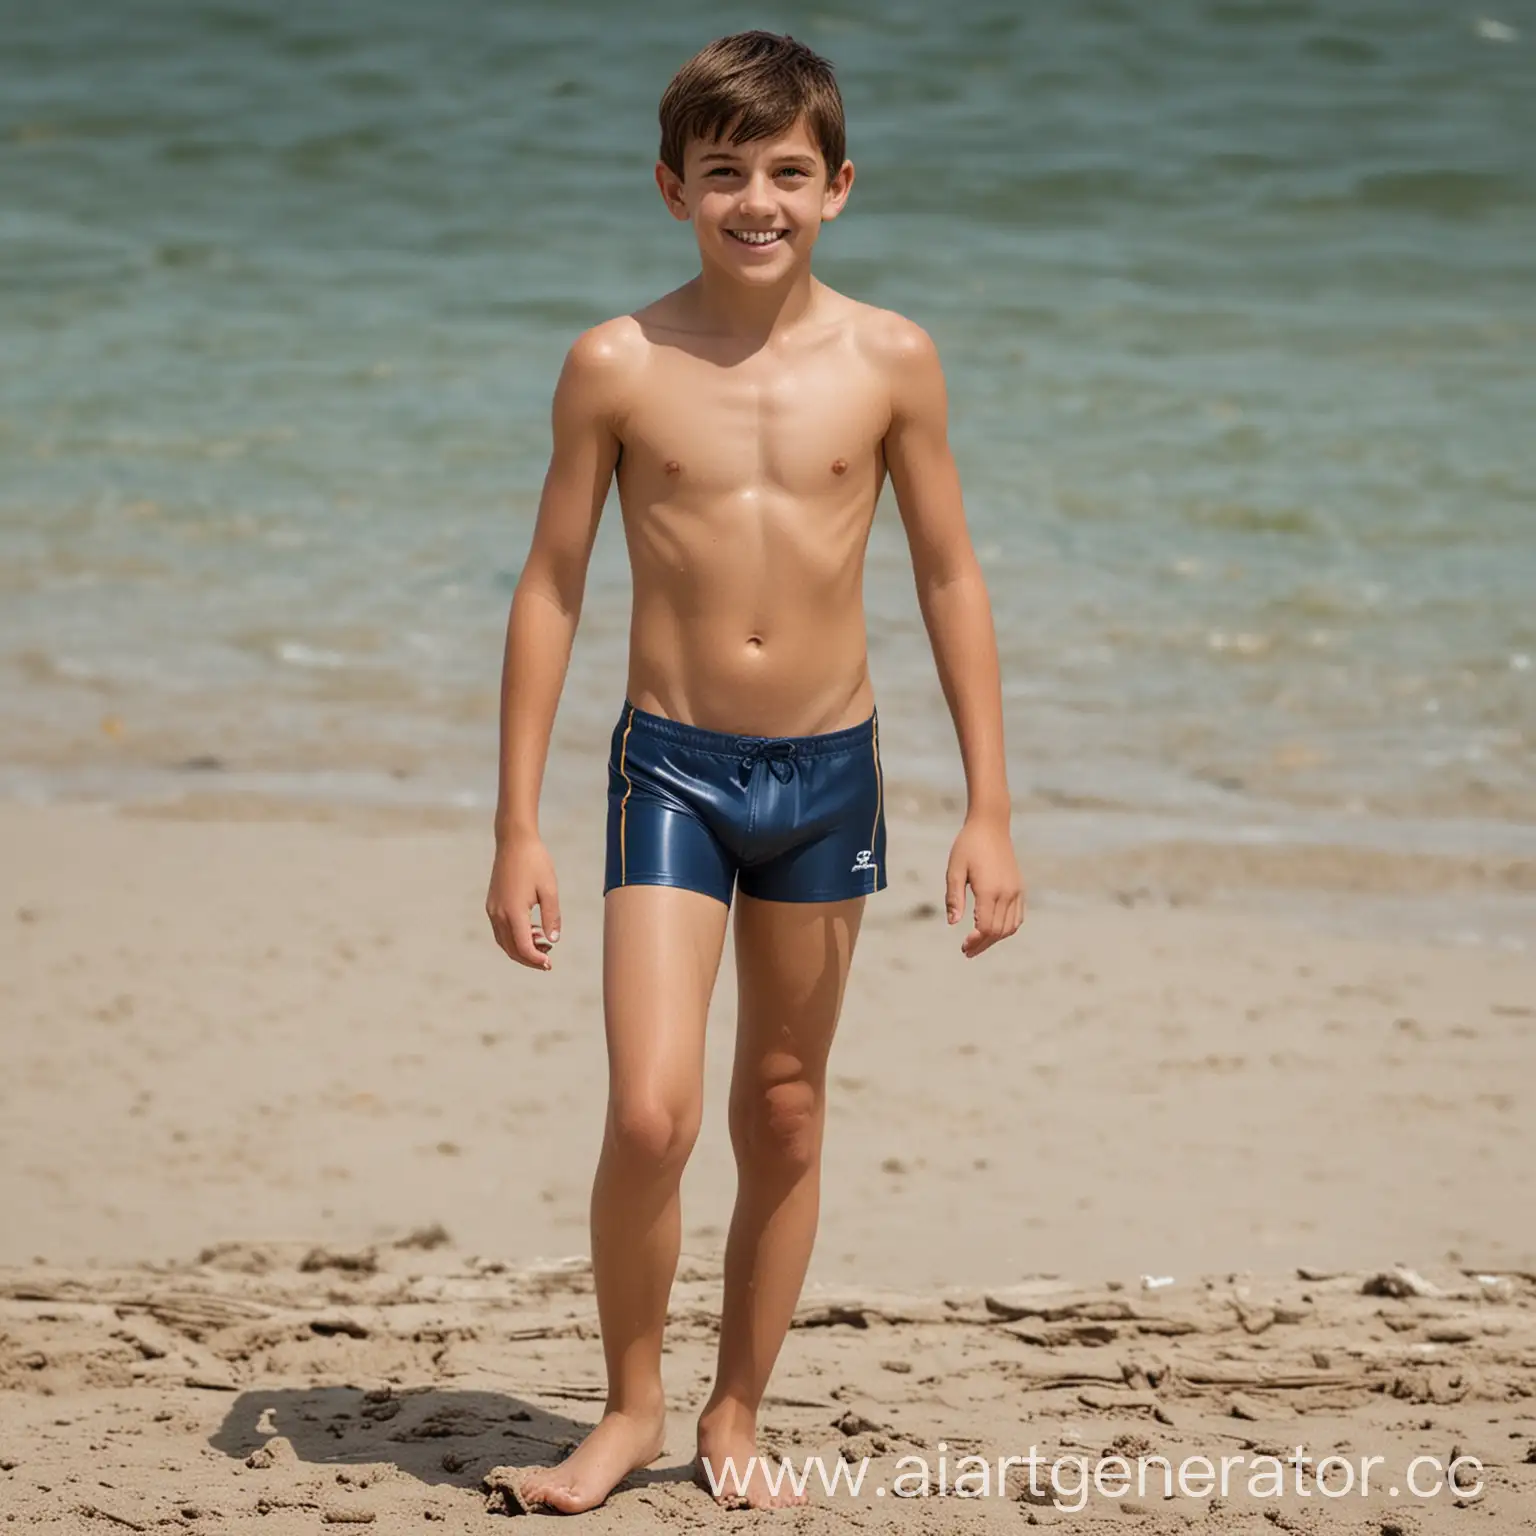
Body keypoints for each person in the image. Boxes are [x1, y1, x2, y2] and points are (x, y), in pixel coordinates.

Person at [484, 29, 1023, 1512]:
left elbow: (952, 577)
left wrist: (989, 805)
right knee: (652, 1111)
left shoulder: (894, 359)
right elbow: (548, 587)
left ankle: (735, 1407)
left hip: (828, 774)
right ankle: (630, 1406)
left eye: (788, 171)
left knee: (782, 1105)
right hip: (669, 770)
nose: (758, 199)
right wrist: (516, 824)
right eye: (725, 172)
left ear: (839, 187)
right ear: (674, 189)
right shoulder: (616, 364)